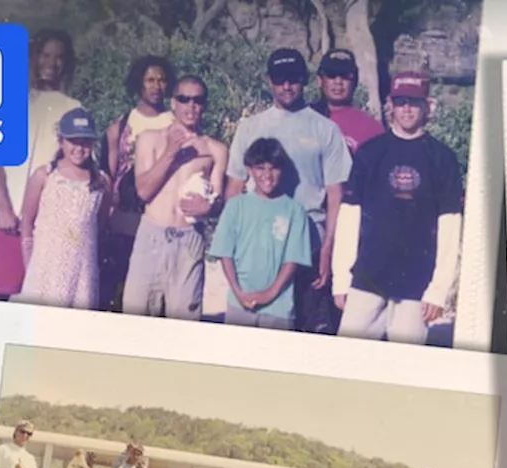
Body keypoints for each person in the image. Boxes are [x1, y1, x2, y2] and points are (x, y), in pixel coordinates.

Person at [332, 71, 464, 345]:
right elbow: (349, 218)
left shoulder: (442, 158)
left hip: (417, 283)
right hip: (367, 276)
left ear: (427, 106)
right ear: (390, 104)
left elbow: (450, 227)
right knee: (348, 358)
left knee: (406, 366)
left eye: (414, 102)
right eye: (401, 101)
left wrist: (438, 290)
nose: (406, 109)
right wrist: (341, 280)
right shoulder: (370, 153)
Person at [226, 48, 352, 334]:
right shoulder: (250, 127)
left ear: (304, 80)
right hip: (258, 247)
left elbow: (335, 193)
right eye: (280, 79)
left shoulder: (326, 129)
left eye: (294, 79)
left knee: (310, 331)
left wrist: (329, 248)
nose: (287, 86)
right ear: (269, 80)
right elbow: (234, 187)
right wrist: (234, 243)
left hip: (310, 243)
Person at [0, 29, 82, 302]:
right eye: (45, 54)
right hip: (8, 219)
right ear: (34, 57)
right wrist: (4, 210)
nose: (51, 63)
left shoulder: (74, 108)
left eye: (59, 57)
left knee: (42, 308)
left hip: (48, 225)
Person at [122, 75, 228, 320]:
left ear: (205, 105)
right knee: (135, 320)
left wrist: (209, 208)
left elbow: (219, 200)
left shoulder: (216, 150)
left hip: (189, 241)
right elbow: (144, 191)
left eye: (198, 100)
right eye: (184, 99)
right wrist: (171, 152)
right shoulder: (150, 139)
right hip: (152, 236)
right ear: (173, 103)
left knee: (183, 324)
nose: (191, 106)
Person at [208, 138, 313, 329]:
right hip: (239, 304)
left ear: (282, 170)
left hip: (279, 308)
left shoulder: (295, 211)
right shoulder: (235, 206)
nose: (267, 175)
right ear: (249, 170)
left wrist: (269, 294)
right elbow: (225, 253)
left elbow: (292, 261)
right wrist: (238, 292)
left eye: (273, 168)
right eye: (260, 168)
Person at [100, 55, 177, 312]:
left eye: (162, 80)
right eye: (150, 80)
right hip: (124, 222)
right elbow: (108, 178)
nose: (157, 86)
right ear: (139, 84)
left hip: (162, 220)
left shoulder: (176, 125)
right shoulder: (119, 127)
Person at [14, 107, 109, 310]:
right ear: (61, 141)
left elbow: (99, 225)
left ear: (93, 144)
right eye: (73, 141)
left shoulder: (100, 182)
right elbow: (27, 222)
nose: (79, 148)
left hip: (82, 273)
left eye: (85, 142)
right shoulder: (45, 176)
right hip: (45, 269)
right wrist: (30, 263)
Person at [310, 48, 384, 154]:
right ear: (320, 80)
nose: (338, 82)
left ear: (355, 81)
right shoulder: (304, 119)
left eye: (345, 76)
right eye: (331, 75)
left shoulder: (372, 128)